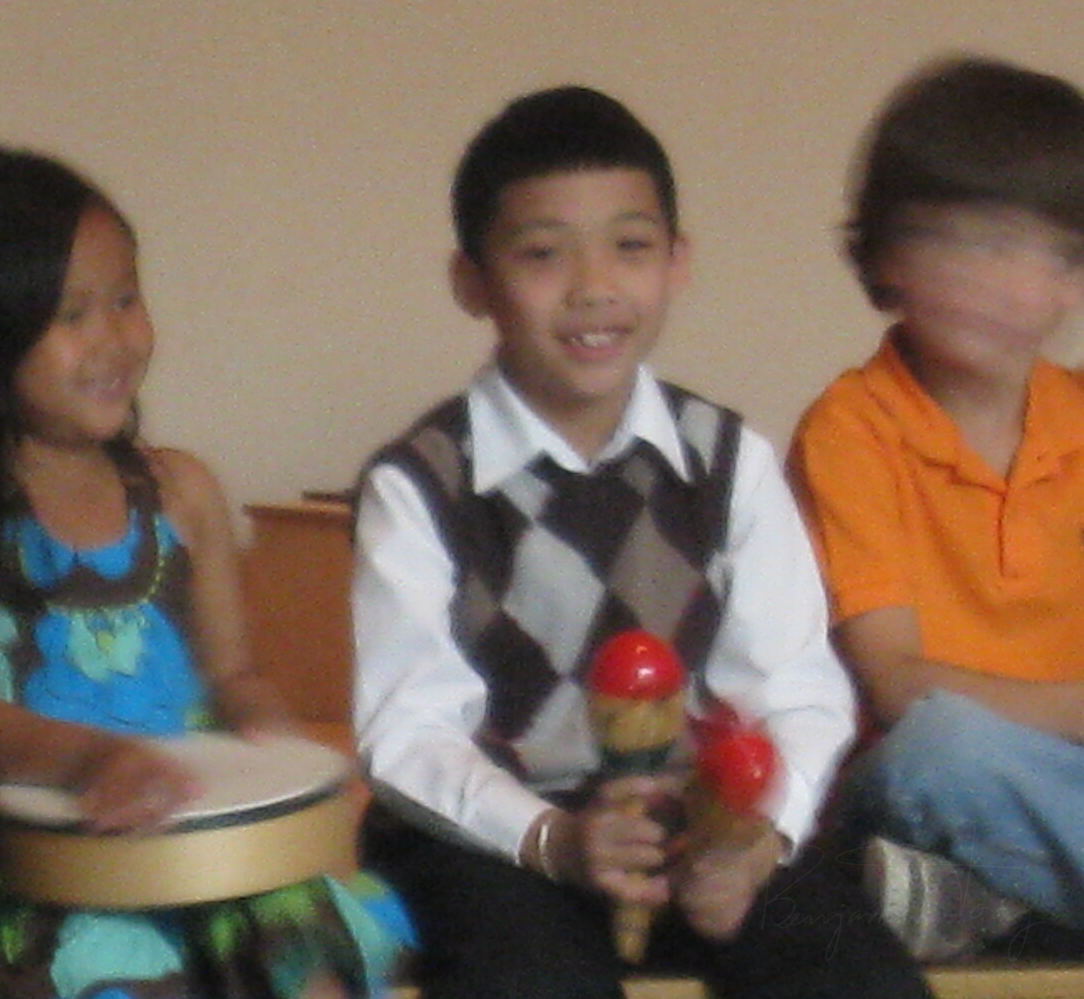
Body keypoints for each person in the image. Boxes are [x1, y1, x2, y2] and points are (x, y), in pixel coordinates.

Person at [351, 85, 931, 999]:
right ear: (472, 281)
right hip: (502, 843)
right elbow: (410, 731)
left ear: (676, 261)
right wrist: (554, 839)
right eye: (543, 253)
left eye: (630, 246)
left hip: (701, 832)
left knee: (854, 977)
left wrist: (756, 839)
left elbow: (794, 689)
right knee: (531, 981)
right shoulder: (420, 484)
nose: (595, 286)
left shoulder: (728, 463)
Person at [0, 146, 411, 999]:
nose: (115, 338)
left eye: (125, 298)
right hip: (63, 858)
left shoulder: (183, 492)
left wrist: (286, 758)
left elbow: (234, 673)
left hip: (210, 835)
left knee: (309, 965)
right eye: (72, 314)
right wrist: (91, 760)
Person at [788, 55, 1084, 961]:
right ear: (883, 258)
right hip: (927, 779)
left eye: (1011, 244)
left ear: (1073, 275)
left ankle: (993, 899)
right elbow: (897, 684)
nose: (978, 277)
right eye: (944, 239)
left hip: (1063, 783)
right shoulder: (852, 427)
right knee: (942, 743)